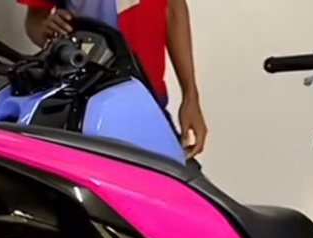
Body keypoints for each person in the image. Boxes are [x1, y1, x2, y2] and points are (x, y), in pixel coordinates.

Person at [18, 0, 207, 157]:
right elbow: (35, 21)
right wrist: (49, 32)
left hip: (150, 102)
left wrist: (190, 96)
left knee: (170, 186)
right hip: (87, 109)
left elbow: (174, 7)